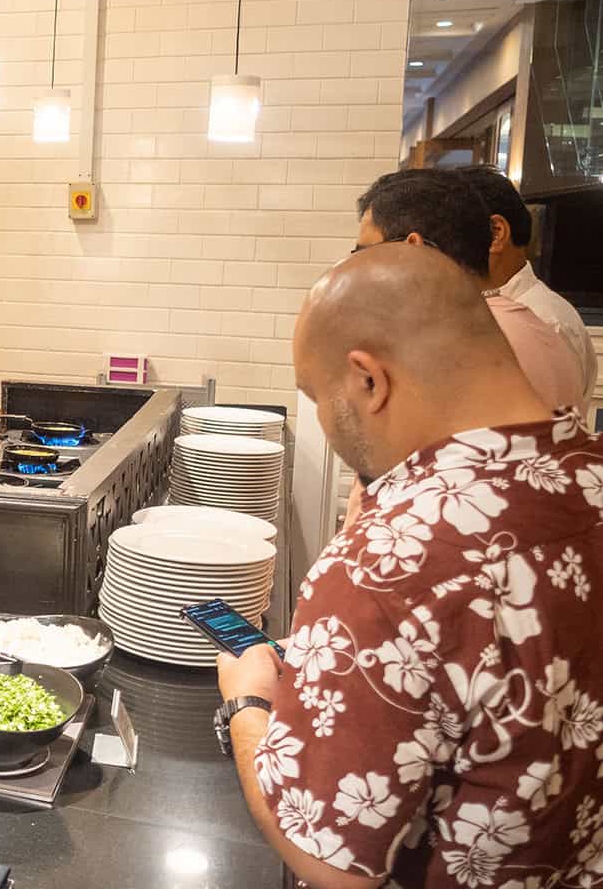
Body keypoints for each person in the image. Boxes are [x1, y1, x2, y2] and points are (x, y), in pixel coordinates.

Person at [216, 243, 603, 888]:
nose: (324, 421)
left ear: (369, 380)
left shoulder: (389, 562)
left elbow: (332, 864)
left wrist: (247, 701)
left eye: (317, 396)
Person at [354, 170, 586, 413]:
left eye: (368, 253)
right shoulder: (507, 322)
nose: (363, 270)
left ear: (413, 248)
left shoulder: (475, 338)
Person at [446, 164, 596, 411]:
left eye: (439, 238)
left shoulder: (544, 321)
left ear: (496, 233)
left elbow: (544, 431)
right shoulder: (477, 308)